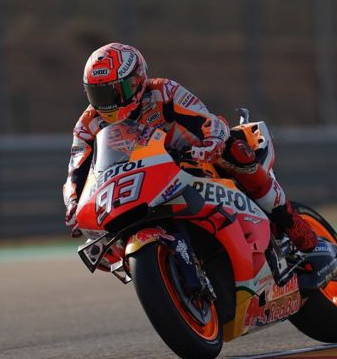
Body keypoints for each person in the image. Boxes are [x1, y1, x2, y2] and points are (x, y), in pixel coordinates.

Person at [63, 42, 317, 252]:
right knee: (102, 246)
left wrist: (211, 142)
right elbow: (76, 171)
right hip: (139, 182)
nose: (109, 103)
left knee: (236, 151)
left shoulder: (163, 91)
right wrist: (74, 204)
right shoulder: (87, 124)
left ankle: (287, 218)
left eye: (116, 91)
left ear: (137, 80)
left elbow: (206, 120)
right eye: (99, 94)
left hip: (193, 158)